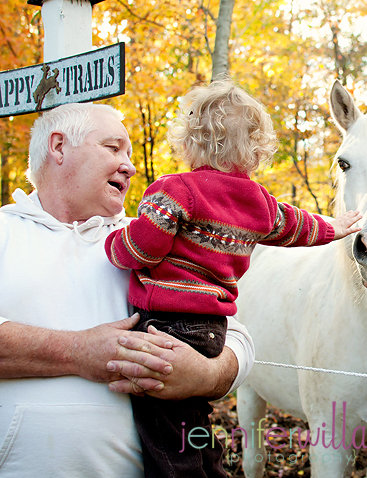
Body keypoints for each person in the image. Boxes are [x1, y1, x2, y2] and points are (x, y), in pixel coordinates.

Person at [104, 79, 361, 478]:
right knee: (191, 416)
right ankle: (213, 468)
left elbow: (144, 249)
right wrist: (336, 226)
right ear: (255, 152)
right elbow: (299, 228)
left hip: (170, 323)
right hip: (213, 330)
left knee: (162, 424)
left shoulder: (175, 190)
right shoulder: (259, 202)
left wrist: (113, 245)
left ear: (190, 144)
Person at [0, 102, 255, 477]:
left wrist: (203, 374)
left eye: (130, 154)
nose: (130, 166)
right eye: (113, 147)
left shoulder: (153, 239)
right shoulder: (5, 233)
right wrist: (76, 351)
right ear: (58, 147)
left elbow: (239, 340)